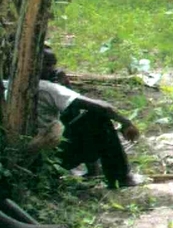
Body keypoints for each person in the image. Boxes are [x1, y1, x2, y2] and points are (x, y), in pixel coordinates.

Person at [23, 50, 146, 188]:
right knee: (97, 117)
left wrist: (66, 87)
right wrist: (126, 122)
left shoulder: (8, 84)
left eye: (53, 65)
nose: (53, 70)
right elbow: (103, 108)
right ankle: (122, 177)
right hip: (49, 159)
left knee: (72, 114)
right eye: (48, 65)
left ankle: (93, 171)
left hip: (26, 159)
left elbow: (71, 114)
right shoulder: (47, 88)